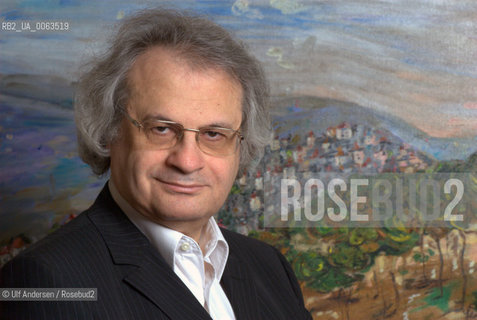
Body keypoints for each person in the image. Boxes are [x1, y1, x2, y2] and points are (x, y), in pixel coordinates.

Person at [0, 9, 312, 320]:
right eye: (161, 129)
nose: (187, 161)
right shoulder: (46, 281)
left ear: (241, 146)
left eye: (214, 134)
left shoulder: (269, 267)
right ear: (109, 131)